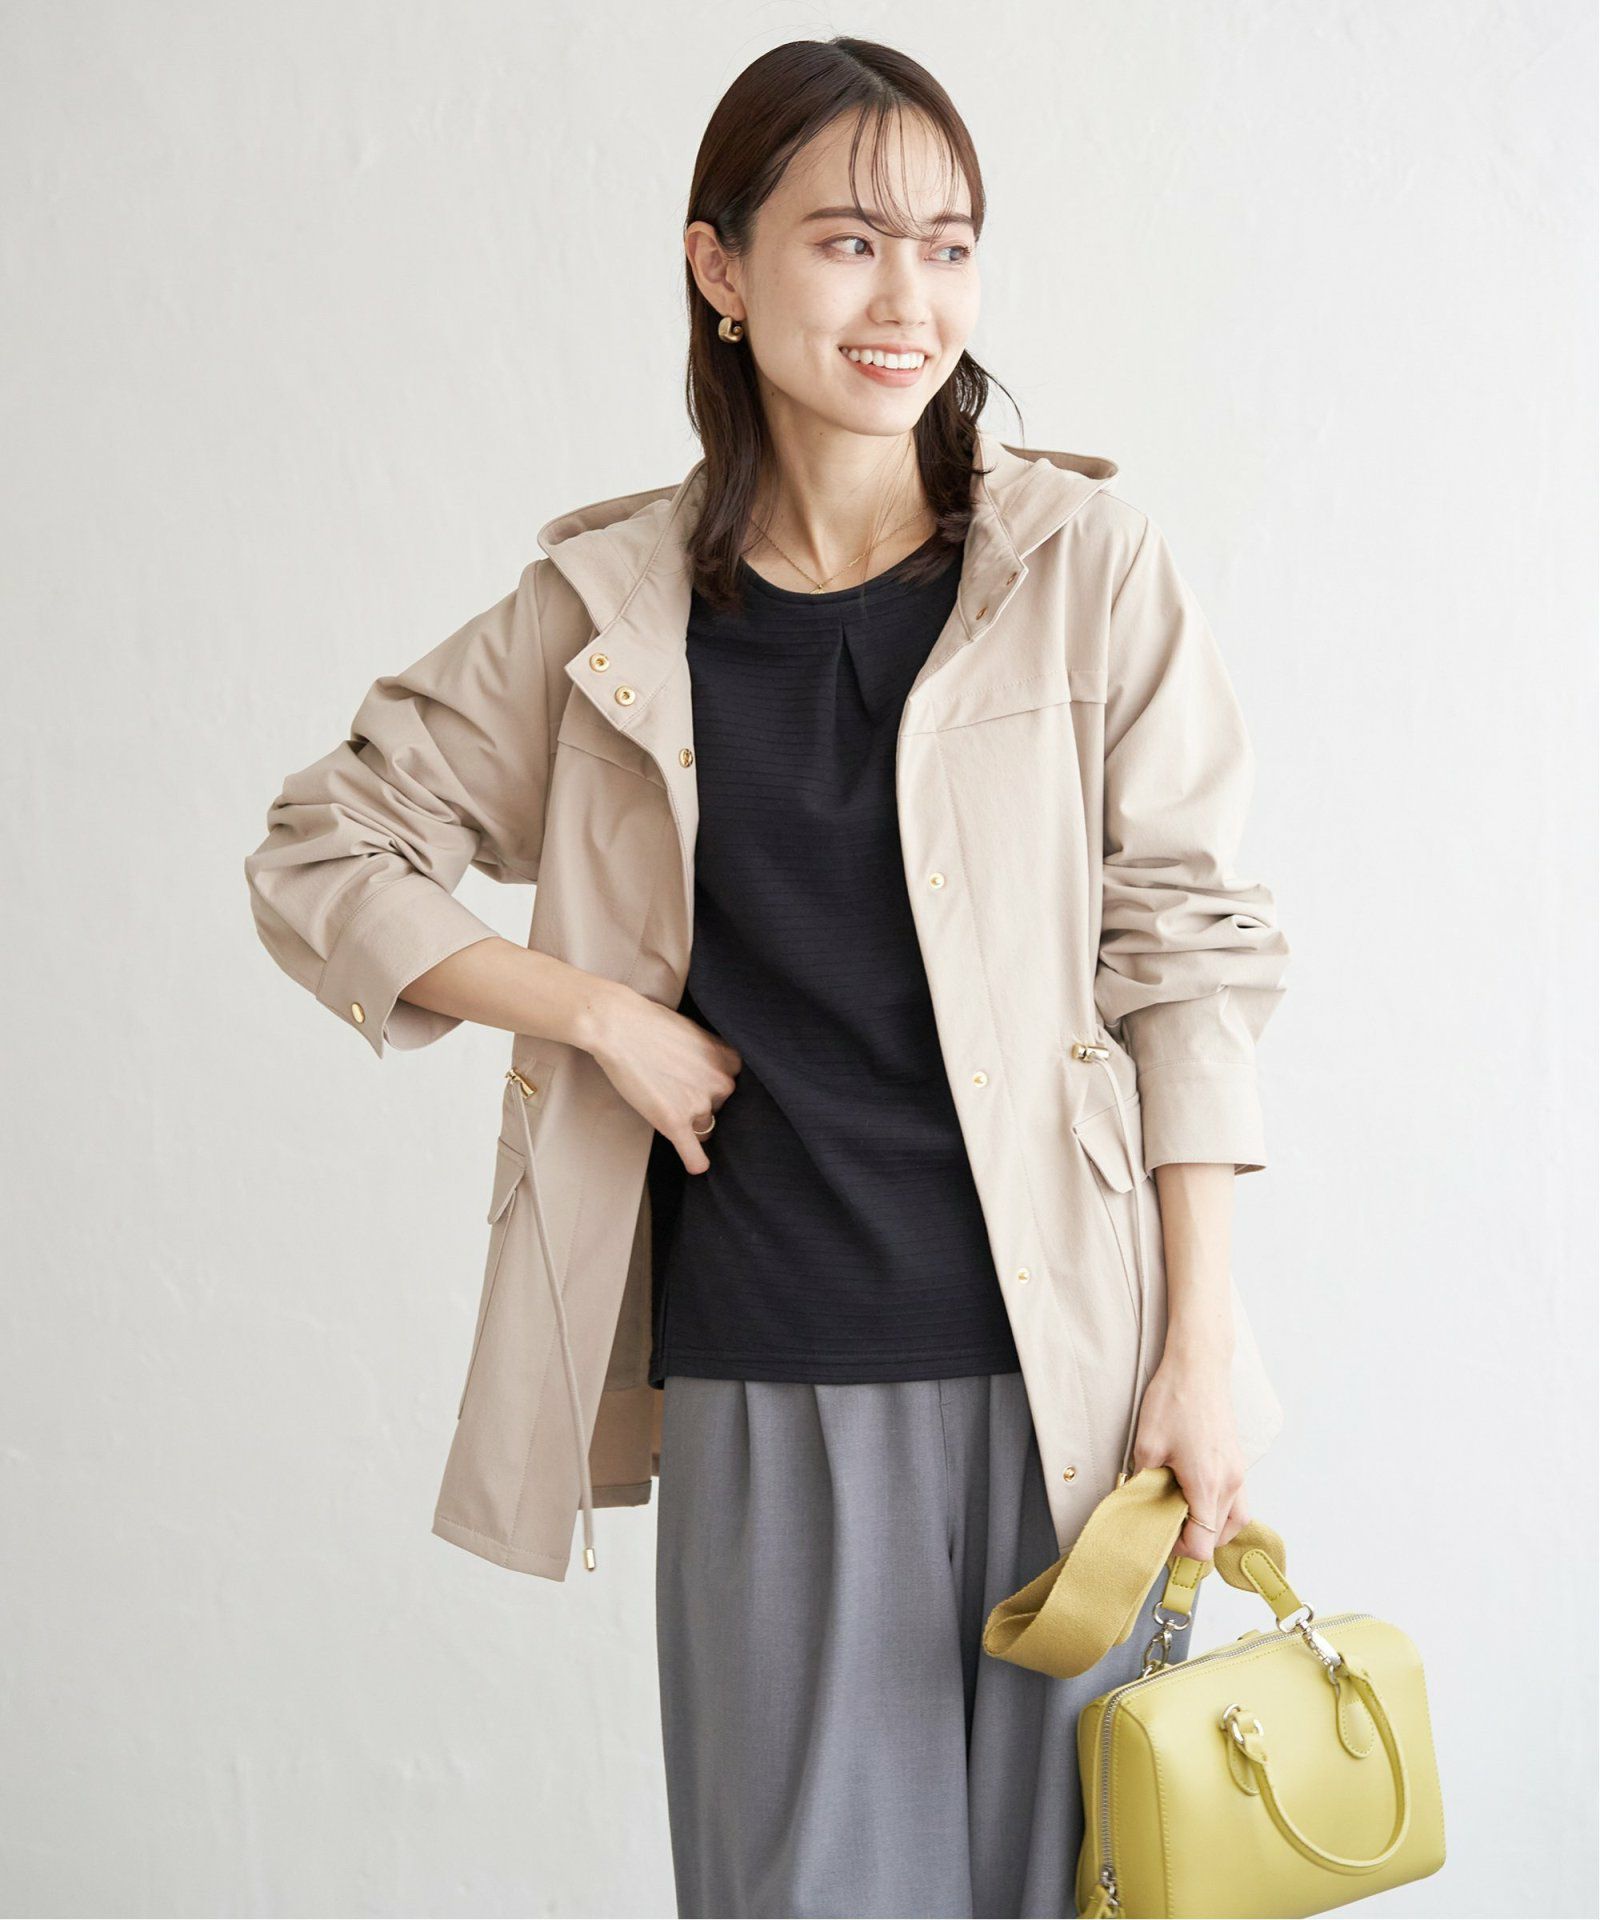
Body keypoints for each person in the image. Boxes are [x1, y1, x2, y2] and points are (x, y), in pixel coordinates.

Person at [244, 35, 1291, 1920]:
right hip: (774, 1379)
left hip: (1076, 1381)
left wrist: (1204, 1349)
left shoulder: (1085, 568)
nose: (910, 303)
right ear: (719, 268)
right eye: (850, 242)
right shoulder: (608, 613)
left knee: (1102, 1893)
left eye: (949, 248)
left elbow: (1190, 956)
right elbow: (328, 844)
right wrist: (597, 1015)